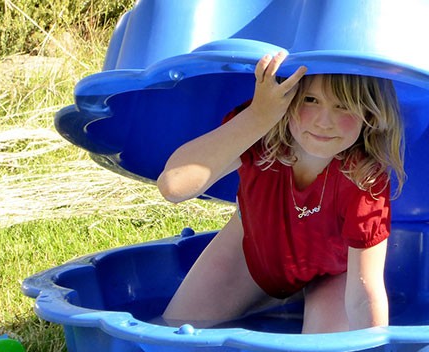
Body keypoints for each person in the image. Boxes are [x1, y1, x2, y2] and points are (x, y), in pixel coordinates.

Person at [156, 51, 406, 334]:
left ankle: (307, 303)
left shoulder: (364, 177)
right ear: (287, 97)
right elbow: (173, 186)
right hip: (253, 250)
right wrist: (258, 117)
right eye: (311, 100)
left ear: (370, 114)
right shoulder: (262, 132)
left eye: (344, 106)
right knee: (177, 330)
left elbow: (364, 294)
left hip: (336, 274)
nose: (324, 121)